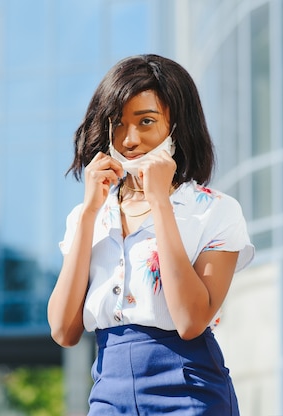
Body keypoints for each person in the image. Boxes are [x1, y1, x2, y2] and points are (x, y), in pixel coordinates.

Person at [47, 54, 254, 415]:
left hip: (189, 390)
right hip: (109, 393)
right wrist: (90, 212)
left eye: (146, 121)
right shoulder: (86, 216)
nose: (130, 139)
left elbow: (191, 322)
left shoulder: (215, 210)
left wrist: (160, 202)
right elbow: (64, 330)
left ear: (178, 127)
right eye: (119, 123)